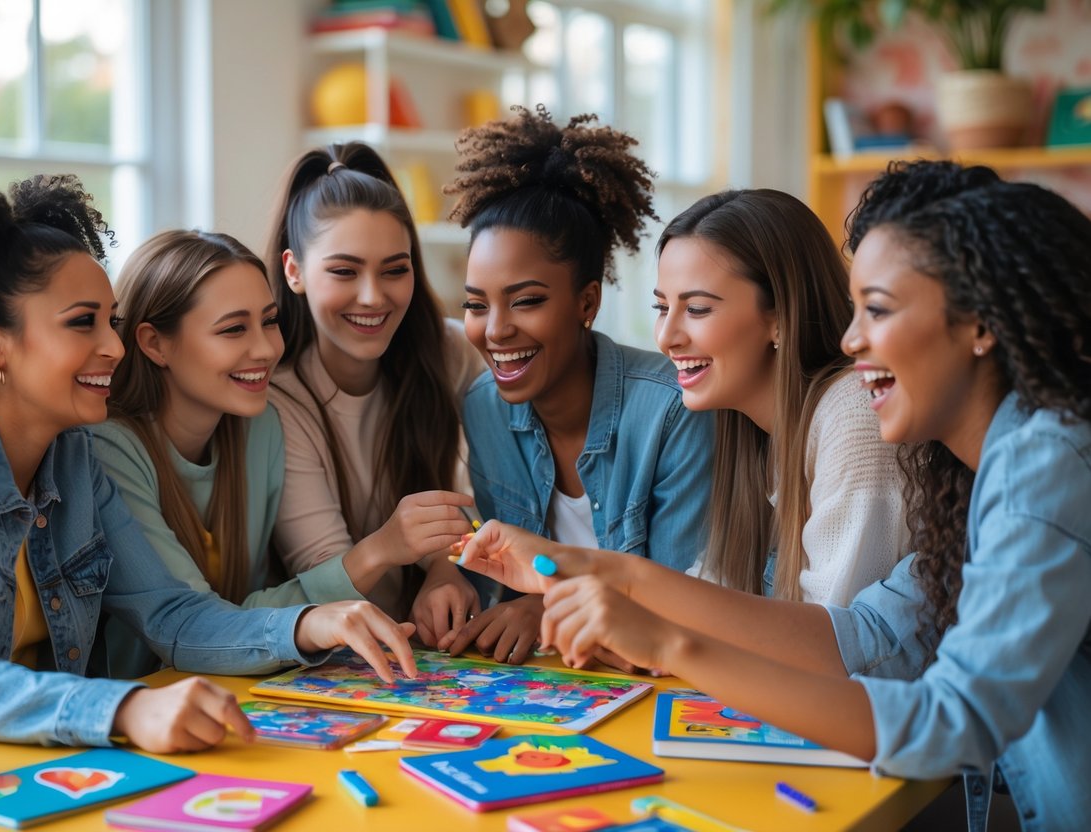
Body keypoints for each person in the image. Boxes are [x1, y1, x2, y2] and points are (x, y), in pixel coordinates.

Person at [459, 160, 1091, 830]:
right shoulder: (979, 467)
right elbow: (868, 634)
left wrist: (669, 643)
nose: (851, 340)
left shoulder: (1040, 462)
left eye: (876, 310)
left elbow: (948, 721)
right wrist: (598, 570)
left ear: (979, 324)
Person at [0, 168, 417, 752]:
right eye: (81, 323)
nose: (113, 345)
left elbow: (174, 615)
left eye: (110, 320)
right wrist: (127, 707)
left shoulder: (73, 457)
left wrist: (309, 624)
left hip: (48, 767)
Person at [437, 105, 715, 666]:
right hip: (563, 688)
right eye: (475, 304)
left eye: (527, 300)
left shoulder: (673, 408)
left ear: (587, 302)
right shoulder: (485, 408)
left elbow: (687, 612)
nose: (495, 331)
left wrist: (547, 612)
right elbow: (510, 587)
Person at [92, 230, 382, 678]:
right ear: (154, 344)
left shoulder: (258, 427)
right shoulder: (108, 450)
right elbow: (192, 619)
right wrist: (376, 555)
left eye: (269, 321)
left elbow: (243, 609)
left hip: (229, 691)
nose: (266, 349)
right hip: (135, 706)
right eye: (233, 329)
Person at [265, 142, 483, 645]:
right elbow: (324, 580)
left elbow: (480, 495)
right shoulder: (278, 398)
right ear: (294, 270)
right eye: (344, 271)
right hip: (334, 656)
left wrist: (445, 569)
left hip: (445, 652)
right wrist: (391, 543)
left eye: (394, 269)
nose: (373, 296)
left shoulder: (450, 352)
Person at [657, 189, 908, 604]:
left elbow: (834, 634)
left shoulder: (854, 414)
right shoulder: (752, 426)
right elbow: (715, 590)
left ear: (779, 319)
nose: (667, 338)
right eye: (661, 308)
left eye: (697, 309)